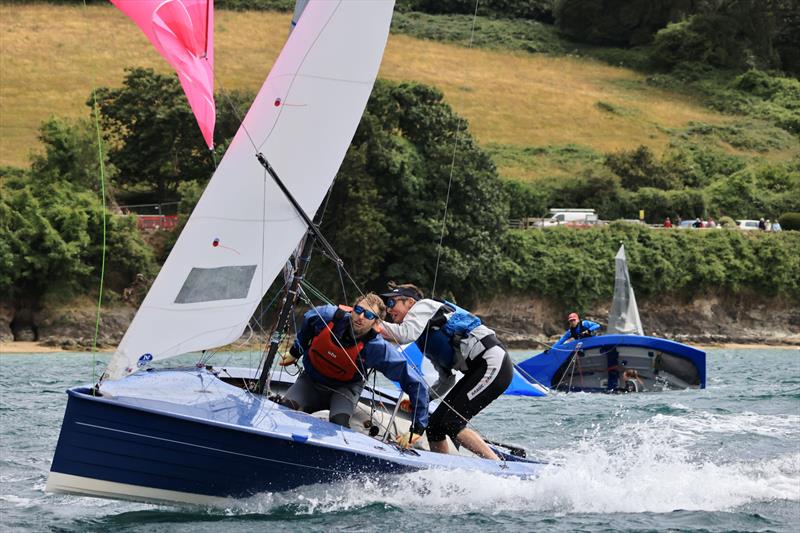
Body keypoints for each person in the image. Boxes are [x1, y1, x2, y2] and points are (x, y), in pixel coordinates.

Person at [379, 284, 513, 460]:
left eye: (392, 303)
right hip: (477, 369)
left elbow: (404, 335)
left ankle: (498, 466)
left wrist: (371, 322)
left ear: (410, 302)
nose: (389, 310)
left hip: (492, 364)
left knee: (452, 422)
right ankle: (443, 468)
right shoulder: (425, 337)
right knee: (435, 426)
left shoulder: (423, 305)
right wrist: (423, 399)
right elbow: (446, 379)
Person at [279, 293, 429, 449]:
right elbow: (308, 321)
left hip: (344, 390)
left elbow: (414, 382)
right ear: (352, 309)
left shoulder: (377, 348)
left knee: (339, 427)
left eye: (369, 315)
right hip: (310, 382)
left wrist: (417, 428)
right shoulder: (326, 316)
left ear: (376, 322)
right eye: (358, 310)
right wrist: (295, 352)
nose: (361, 316)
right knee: (283, 411)